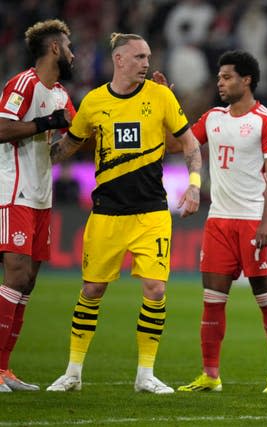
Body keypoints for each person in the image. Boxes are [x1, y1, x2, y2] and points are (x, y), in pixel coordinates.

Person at [46, 32, 202, 394]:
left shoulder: (161, 96)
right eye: (139, 57)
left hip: (151, 213)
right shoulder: (95, 102)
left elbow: (190, 142)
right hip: (107, 213)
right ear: (119, 60)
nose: (147, 62)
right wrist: (33, 158)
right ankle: (73, 372)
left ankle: (145, 374)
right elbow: (70, 143)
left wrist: (194, 184)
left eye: (148, 56)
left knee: (156, 289)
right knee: (92, 288)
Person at [176, 50, 267, 394]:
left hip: (254, 221)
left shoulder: (266, 121)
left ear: (247, 80)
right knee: (212, 299)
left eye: (227, 77)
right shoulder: (212, 118)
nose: (220, 83)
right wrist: (167, 104)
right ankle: (210, 374)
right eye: (219, 77)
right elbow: (178, 142)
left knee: (265, 296)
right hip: (219, 223)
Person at [0, 19, 75, 392]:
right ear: (55, 49)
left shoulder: (61, 93)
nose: (74, 53)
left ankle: (5, 370)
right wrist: (43, 123)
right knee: (14, 275)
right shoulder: (23, 84)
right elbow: (1, 128)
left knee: (27, 282)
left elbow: (71, 138)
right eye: (70, 46)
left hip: (42, 197)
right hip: (14, 193)